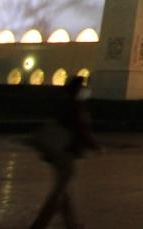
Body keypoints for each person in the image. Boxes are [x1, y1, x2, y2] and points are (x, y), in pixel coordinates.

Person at [30, 74, 99, 229]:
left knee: (64, 190)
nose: (86, 90)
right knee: (59, 192)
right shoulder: (75, 106)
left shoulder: (64, 103)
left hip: (57, 152)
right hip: (66, 152)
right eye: (83, 88)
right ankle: (40, 223)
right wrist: (94, 145)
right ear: (78, 90)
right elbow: (80, 129)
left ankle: (71, 223)